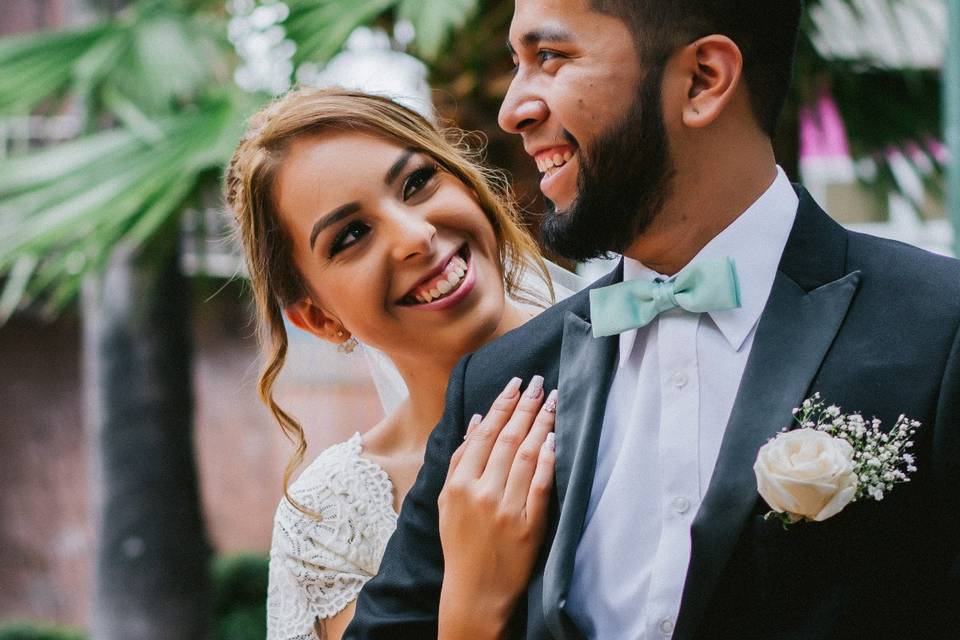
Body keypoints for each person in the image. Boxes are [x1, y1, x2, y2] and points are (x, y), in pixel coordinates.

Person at [346, 1, 960, 639]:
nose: (513, 110)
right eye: (516, 64)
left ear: (702, 80)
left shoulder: (941, 331)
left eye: (549, 58)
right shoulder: (499, 384)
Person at [224, 88, 580, 640]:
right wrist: (471, 605)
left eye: (417, 183)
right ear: (319, 318)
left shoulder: (638, 344)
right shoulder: (331, 519)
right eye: (353, 235)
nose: (417, 237)